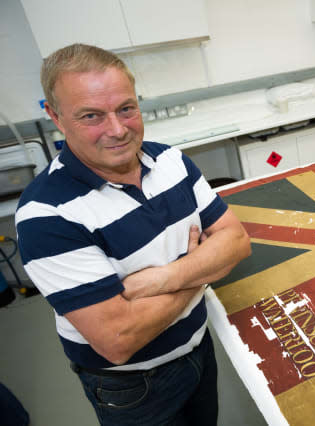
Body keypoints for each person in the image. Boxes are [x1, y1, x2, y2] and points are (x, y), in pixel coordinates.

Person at [15, 43, 251, 425]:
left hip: (198, 347)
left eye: (126, 108)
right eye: (91, 115)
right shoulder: (46, 215)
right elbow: (119, 341)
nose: (117, 129)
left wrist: (165, 277)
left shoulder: (170, 160)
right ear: (55, 116)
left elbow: (236, 241)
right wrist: (203, 269)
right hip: (133, 389)